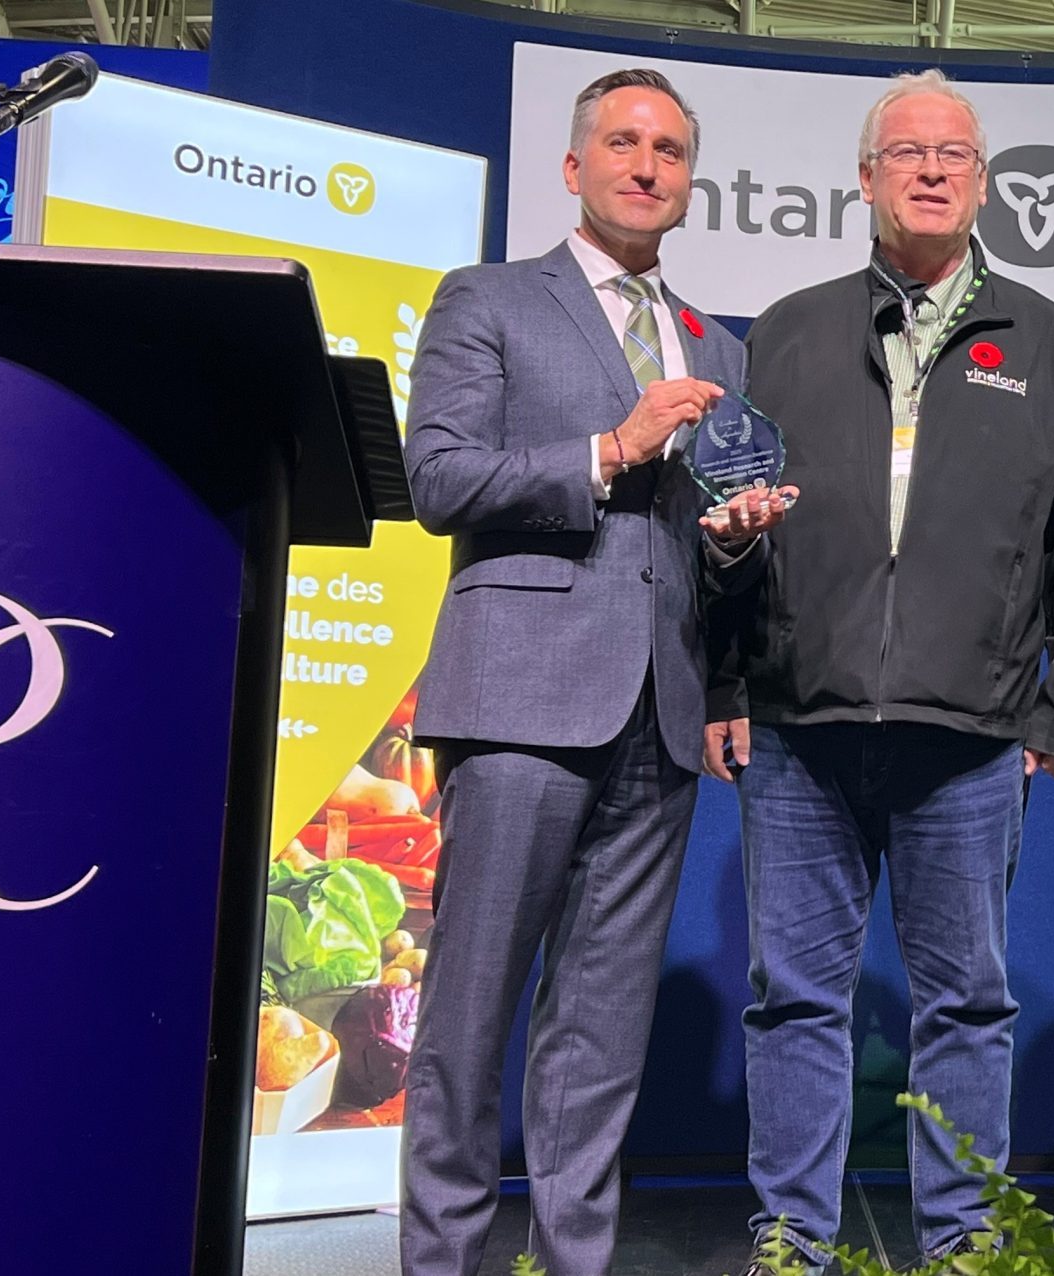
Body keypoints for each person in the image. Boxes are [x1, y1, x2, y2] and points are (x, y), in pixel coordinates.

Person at [716, 68, 1054, 1273]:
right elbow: (734, 520)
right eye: (906, 153)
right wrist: (731, 683)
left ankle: (960, 1243)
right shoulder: (786, 329)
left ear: (983, 182)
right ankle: (793, 1236)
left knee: (968, 1007)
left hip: (975, 734)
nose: (931, 171)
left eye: (952, 155)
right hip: (798, 726)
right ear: (865, 178)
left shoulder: (1045, 339)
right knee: (793, 1001)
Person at [398, 68, 789, 1276]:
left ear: (687, 182)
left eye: (668, 151)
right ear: (572, 168)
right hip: (517, 701)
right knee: (466, 1021)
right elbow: (438, 482)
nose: (645, 164)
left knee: (600, 1039)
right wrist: (611, 448)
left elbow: (701, 543)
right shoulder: (491, 300)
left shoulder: (717, 343)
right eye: (621, 143)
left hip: (659, 715)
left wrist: (733, 541)